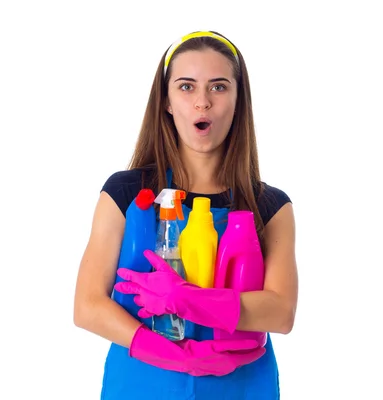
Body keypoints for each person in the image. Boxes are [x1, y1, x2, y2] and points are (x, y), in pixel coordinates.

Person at [73, 30, 298, 399]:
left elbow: (281, 312)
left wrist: (187, 299)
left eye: (219, 87)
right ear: (166, 101)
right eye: (187, 86)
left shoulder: (269, 205)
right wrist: (170, 353)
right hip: (143, 383)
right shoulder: (127, 193)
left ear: (239, 101)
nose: (202, 103)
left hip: (240, 385)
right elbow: (87, 305)